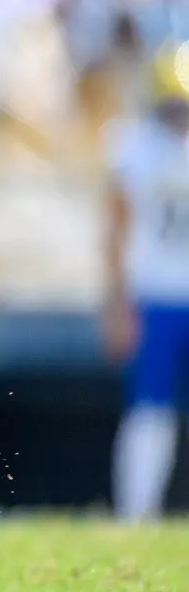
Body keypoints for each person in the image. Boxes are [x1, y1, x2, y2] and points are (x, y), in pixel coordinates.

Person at [105, 45, 189, 521]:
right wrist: (117, 302)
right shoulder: (134, 146)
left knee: (152, 410)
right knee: (149, 410)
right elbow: (115, 230)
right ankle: (137, 513)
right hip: (154, 293)